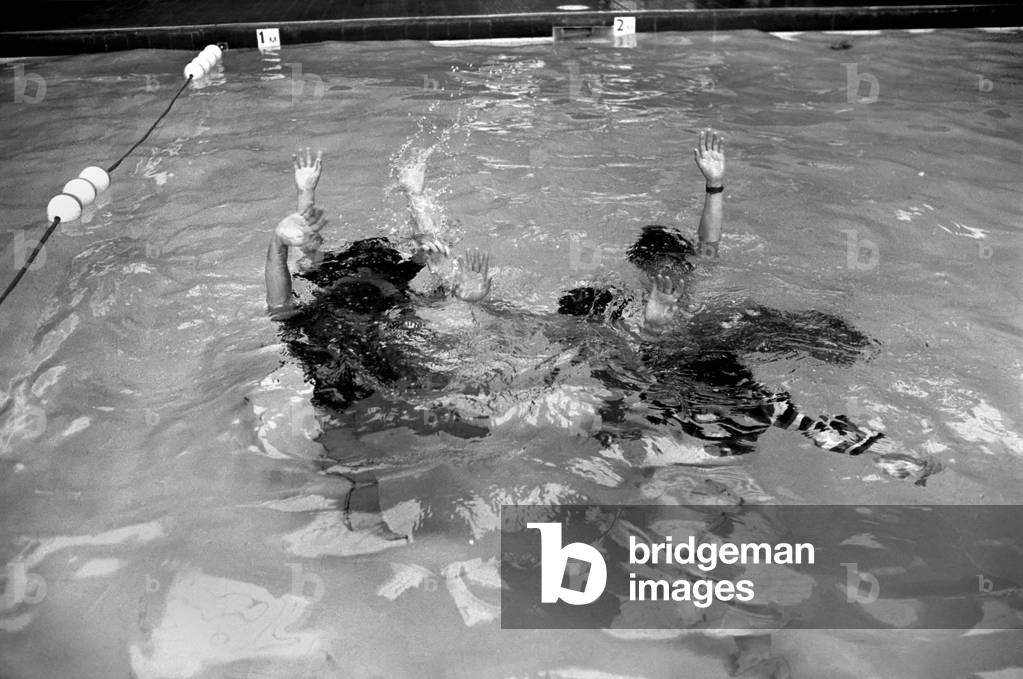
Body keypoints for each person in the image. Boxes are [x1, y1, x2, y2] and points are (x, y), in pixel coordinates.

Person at [557, 130, 938, 483]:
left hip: (699, 381)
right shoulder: (632, 306)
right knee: (769, 409)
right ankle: (874, 450)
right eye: (660, 271)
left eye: (676, 268)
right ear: (641, 270)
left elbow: (709, 245)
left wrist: (714, 184)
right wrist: (654, 328)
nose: (670, 277)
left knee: (768, 406)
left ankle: (879, 451)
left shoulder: (678, 292)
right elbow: (637, 359)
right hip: (684, 383)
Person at [263, 148, 494, 434]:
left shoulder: (325, 319)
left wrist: (459, 292)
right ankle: (414, 193)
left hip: (348, 282)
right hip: (378, 284)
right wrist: (460, 296)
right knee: (430, 253)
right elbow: (438, 296)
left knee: (307, 259)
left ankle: (413, 194)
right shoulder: (395, 306)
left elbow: (283, 296)